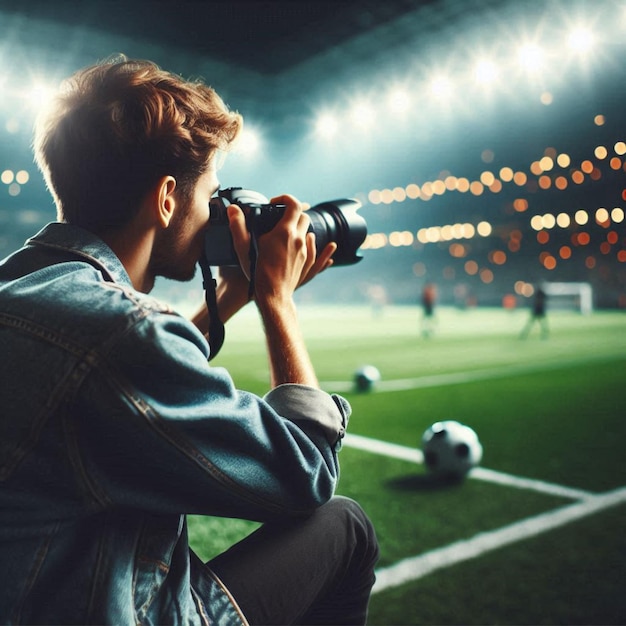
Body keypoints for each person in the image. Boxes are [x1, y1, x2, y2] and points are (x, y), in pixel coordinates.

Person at [0, 58, 378, 625]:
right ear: (168, 197)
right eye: (210, 195)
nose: (215, 215)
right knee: (344, 525)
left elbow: (119, 389)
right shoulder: (123, 332)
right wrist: (276, 300)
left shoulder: (22, 288)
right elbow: (304, 476)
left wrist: (227, 299)